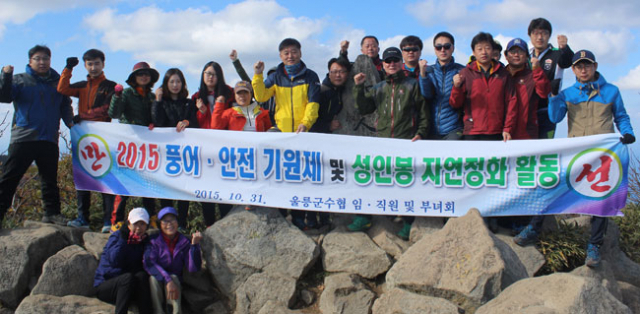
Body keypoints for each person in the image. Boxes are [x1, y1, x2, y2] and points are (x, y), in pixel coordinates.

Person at [514, 50, 635, 268]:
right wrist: (553, 97)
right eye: (579, 66)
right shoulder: (569, 93)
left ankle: (594, 246)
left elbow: (621, 116)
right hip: (576, 153)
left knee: (602, 200)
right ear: (574, 69)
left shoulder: (611, 91)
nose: (583, 69)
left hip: (602, 155)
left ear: (595, 66)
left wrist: (627, 132)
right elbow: (555, 117)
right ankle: (534, 227)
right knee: (551, 186)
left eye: (587, 65)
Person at [348, 47, 429, 240]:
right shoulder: (379, 88)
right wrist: (358, 87)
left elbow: (424, 113)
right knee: (373, 180)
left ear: (401, 62)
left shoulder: (412, 85)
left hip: (406, 142)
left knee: (406, 183)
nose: (392, 64)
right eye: (388, 61)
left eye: (395, 60)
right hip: (383, 143)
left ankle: (409, 222)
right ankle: (364, 217)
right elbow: (364, 108)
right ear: (383, 64)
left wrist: (421, 133)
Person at [0, 45, 73, 227]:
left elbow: (65, 104)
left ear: (50, 60)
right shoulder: (20, 80)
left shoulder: (58, 82)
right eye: (38, 59)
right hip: (24, 137)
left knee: (49, 180)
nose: (42, 62)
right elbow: (4, 97)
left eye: (45, 59)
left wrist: (70, 122)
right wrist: (6, 76)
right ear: (30, 61)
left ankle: (52, 214)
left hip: (49, 138)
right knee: (9, 179)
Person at [252, 37, 321, 230]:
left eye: (294, 52)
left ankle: (300, 218)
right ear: (280, 56)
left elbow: (313, 103)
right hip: (281, 134)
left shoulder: (311, 76)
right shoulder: (276, 76)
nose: (290, 56)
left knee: (301, 178)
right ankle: (282, 216)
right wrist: (258, 75)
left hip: (303, 134)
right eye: (286, 53)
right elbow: (260, 96)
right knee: (282, 177)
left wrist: (305, 124)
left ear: (300, 53)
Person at [57, 48, 116, 233]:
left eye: (97, 63)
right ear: (85, 65)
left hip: (104, 137)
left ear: (103, 64)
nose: (93, 67)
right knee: (83, 179)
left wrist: (82, 115)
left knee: (106, 179)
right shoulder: (82, 85)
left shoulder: (111, 86)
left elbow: (108, 109)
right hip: (85, 138)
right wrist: (67, 69)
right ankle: (83, 218)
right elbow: (62, 89)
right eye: (90, 63)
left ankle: (108, 221)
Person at [109, 62, 160, 230]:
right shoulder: (126, 94)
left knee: (148, 183)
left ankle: (151, 217)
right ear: (134, 78)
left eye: (147, 74)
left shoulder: (152, 97)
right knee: (124, 184)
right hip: (127, 145)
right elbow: (114, 114)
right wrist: (116, 97)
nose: (144, 76)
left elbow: (154, 117)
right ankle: (116, 221)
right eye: (140, 74)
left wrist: (154, 122)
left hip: (146, 147)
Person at [151, 68, 198, 233]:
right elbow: (157, 121)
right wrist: (157, 100)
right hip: (166, 154)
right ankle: (165, 225)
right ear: (166, 84)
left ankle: (182, 224)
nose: (175, 85)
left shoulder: (188, 103)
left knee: (182, 190)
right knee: (166, 189)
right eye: (171, 82)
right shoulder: (161, 102)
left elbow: (194, 121)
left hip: (184, 154)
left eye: (178, 81)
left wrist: (187, 122)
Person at [450, 32, 517, 142]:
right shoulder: (465, 74)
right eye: (479, 49)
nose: (484, 52)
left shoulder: (504, 74)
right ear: (473, 52)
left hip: (497, 132)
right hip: (472, 132)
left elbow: (511, 102)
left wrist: (507, 128)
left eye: (487, 48)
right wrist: (456, 87)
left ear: (493, 50)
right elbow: (455, 104)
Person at [191, 61, 235, 227]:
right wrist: (201, 112)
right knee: (206, 187)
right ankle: (209, 224)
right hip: (204, 148)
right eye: (207, 73)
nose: (210, 77)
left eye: (213, 74)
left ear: (219, 76)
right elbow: (195, 124)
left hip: (225, 146)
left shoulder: (229, 93)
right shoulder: (196, 97)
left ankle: (227, 223)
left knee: (225, 184)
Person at [144, 207, 202, 314]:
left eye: (172, 220)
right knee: (153, 279)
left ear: (177, 222)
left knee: (174, 277)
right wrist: (167, 280)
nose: (169, 224)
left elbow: (193, 268)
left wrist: (194, 246)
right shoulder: (153, 241)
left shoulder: (184, 241)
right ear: (160, 224)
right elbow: (150, 263)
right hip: (159, 279)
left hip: (175, 281)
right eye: (165, 221)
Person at [94, 207, 152, 314]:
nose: (138, 228)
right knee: (127, 278)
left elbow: (148, 263)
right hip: (107, 285)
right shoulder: (118, 236)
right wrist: (124, 240)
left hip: (128, 288)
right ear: (129, 224)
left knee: (142, 276)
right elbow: (114, 261)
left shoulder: (145, 241)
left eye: (142, 224)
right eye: (136, 224)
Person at [528, 17, 574, 139]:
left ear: (549, 35)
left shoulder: (557, 53)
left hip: (548, 110)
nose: (540, 37)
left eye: (544, 33)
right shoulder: (525, 55)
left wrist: (564, 48)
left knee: (545, 147)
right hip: (527, 111)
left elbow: (567, 61)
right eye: (536, 33)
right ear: (530, 35)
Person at [419, 31, 465, 140]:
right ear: (434, 49)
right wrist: (422, 74)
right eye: (439, 47)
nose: (443, 50)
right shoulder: (429, 70)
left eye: (447, 46)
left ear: (453, 48)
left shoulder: (462, 71)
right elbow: (427, 95)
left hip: (454, 129)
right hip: (431, 129)